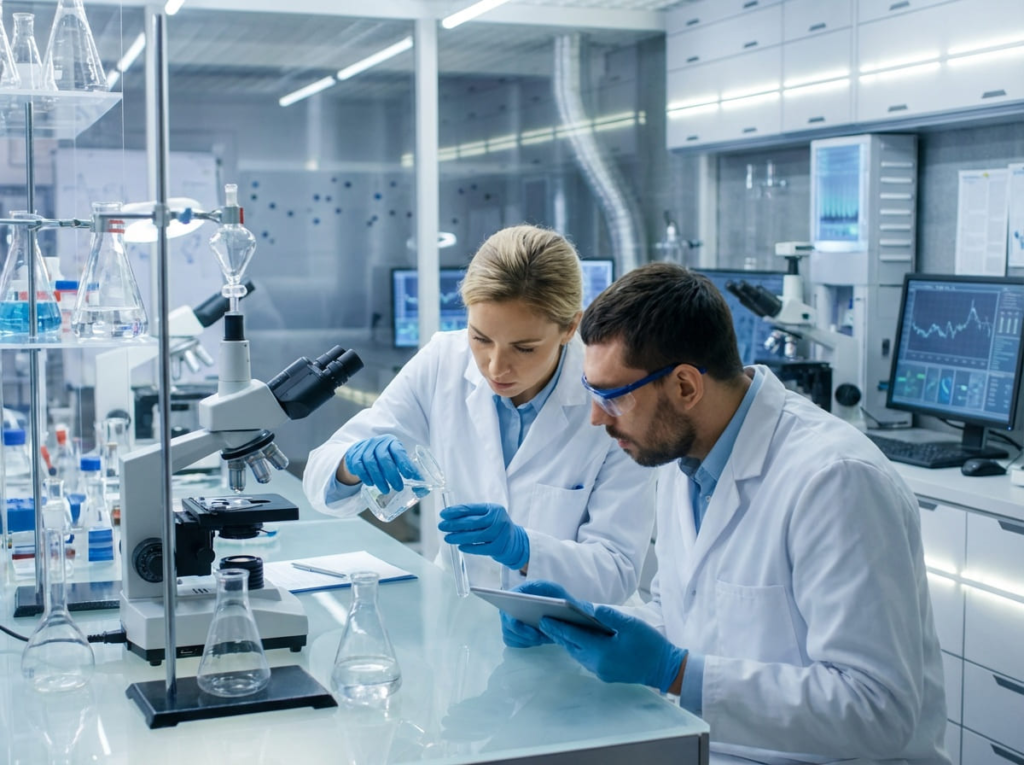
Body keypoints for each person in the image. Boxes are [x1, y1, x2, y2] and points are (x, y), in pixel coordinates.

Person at [502, 263, 950, 765]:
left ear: (686, 387)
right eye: (591, 392)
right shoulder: (683, 458)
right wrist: (580, 627)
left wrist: (673, 672)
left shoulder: (835, 481)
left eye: (613, 397)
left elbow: (877, 711)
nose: (596, 418)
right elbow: (687, 614)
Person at [303, 225, 654, 604]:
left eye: (524, 348)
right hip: (457, 618)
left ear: (570, 327)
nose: (495, 368)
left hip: (568, 635)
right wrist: (350, 466)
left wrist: (525, 550)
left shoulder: (614, 399)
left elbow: (618, 573)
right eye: (480, 338)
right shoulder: (443, 362)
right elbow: (320, 478)